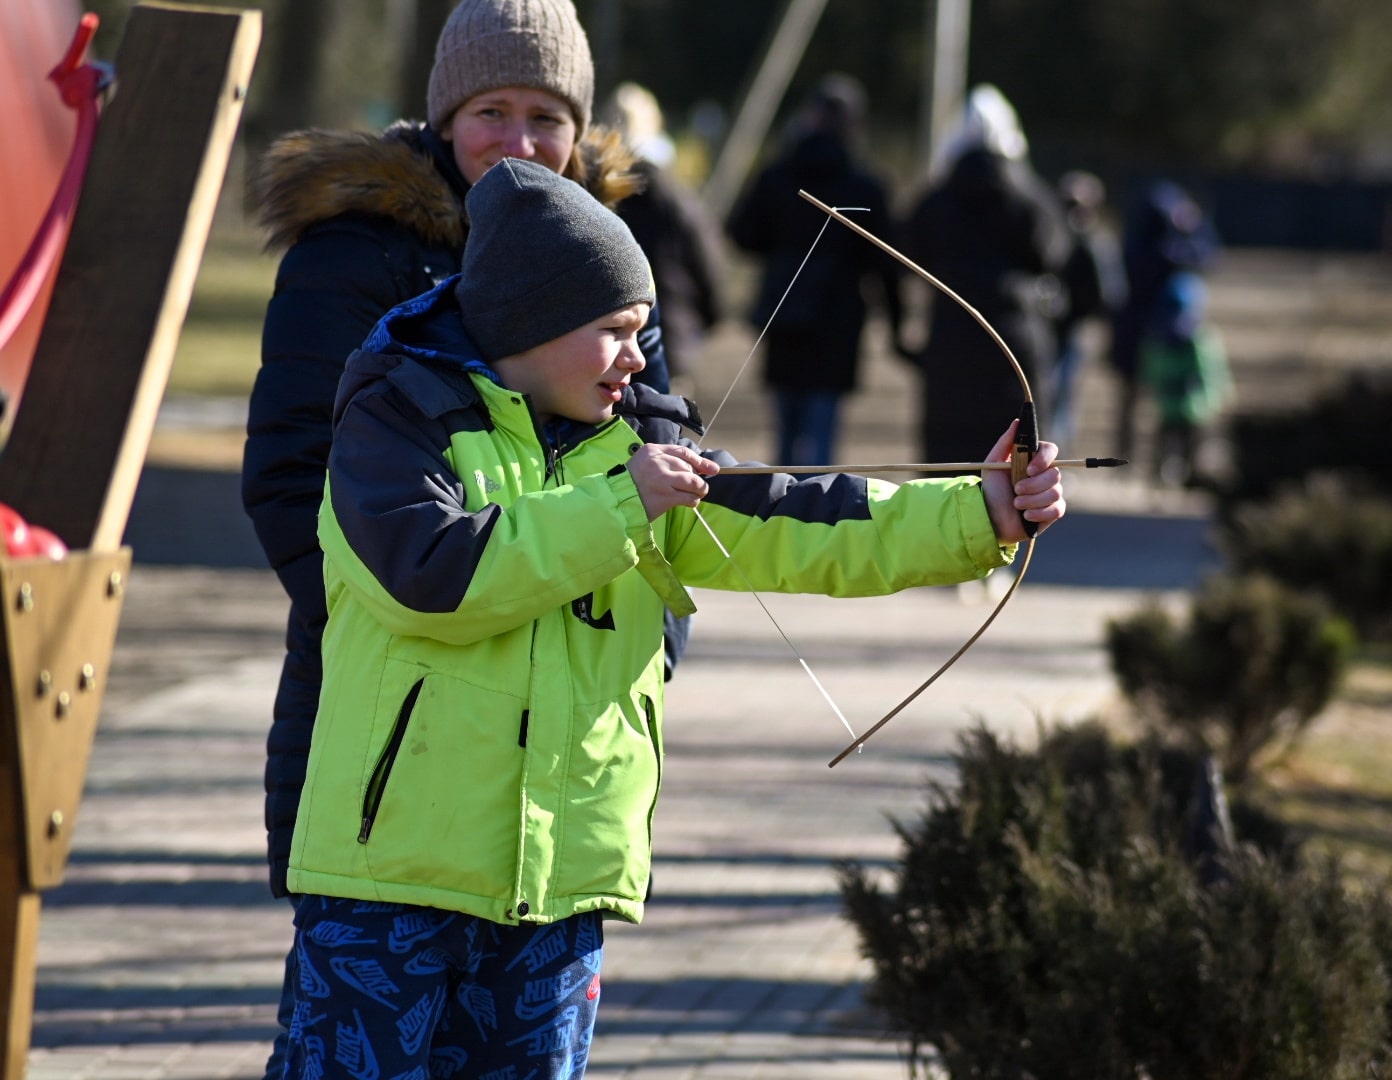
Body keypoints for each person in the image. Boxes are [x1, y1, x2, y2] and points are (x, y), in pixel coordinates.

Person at [281, 157, 1066, 1077]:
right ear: (533, 319)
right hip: (388, 886)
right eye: (613, 331)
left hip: (558, 897)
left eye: (641, 333)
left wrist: (979, 514)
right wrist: (624, 505)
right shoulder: (398, 416)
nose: (635, 357)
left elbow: (805, 522)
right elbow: (435, 574)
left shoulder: (642, 451)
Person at [240, 0, 671, 1073]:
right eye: (492, 111)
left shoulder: (606, 263)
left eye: (544, 116)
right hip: (391, 694)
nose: (520, 143)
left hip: (555, 739)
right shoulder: (354, 256)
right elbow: (293, 474)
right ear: (443, 115)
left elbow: (661, 462)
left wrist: (640, 638)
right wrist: (394, 604)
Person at [726, 73, 904, 467]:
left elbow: (740, 232)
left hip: (784, 314)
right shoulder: (865, 185)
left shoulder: (777, 176)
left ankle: (781, 513)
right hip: (837, 323)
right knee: (822, 434)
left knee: (785, 434)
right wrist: (897, 327)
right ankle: (818, 514)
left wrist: (782, 251)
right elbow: (886, 263)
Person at [904, 84, 1070, 468]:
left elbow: (910, 250)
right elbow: (1054, 252)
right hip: (1013, 350)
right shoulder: (1028, 199)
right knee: (1014, 471)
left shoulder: (935, 201)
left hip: (950, 348)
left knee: (947, 472)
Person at [602, 81, 726, 389]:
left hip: (602, 348)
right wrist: (706, 317)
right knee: (668, 433)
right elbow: (706, 260)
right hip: (670, 338)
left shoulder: (590, 194)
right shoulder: (673, 195)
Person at [1108, 180, 1220, 461]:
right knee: (1161, 401)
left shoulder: (1132, 246)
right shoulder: (1168, 251)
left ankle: (1131, 458)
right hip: (1155, 337)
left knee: (1136, 400)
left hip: (1139, 334)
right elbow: (1206, 255)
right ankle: (1155, 460)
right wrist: (1191, 225)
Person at [1049, 170, 1126, 448]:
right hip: (1049, 329)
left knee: (1063, 395)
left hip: (1077, 331)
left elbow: (1111, 294)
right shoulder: (1052, 237)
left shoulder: (1097, 242)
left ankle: (1056, 460)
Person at [1141, 270, 1230, 486]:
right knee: (1166, 443)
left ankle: (1189, 478)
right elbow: (1151, 372)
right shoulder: (1162, 339)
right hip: (1174, 406)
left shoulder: (1200, 341)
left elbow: (1210, 376)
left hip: (1194, 408)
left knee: (1192, 446)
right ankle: (1161, 478)